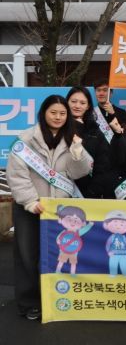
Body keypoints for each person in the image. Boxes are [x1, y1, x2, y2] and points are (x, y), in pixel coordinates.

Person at [7, 95, 92, 320]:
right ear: (44, 113)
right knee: (27, 255)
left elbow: (79, 173)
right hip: (30, 208)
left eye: (62, 113)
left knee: (60, 255)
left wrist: (77, 152)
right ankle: (29, 302)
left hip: (59, 211)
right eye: (53, 112)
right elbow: (17, 175)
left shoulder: (71, 138)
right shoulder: (26, 139)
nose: (58, 117)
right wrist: (30, 201)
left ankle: (55, 298)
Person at [65, 86, 115, 198]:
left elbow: (102, 165)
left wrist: (93, 191)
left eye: (82, 103)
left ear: (88, 106)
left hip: (87, 193)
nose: (77, 106)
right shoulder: (58, 127)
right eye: (73, 101)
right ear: (66, 102)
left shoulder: (95, 131)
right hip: (60, 189)